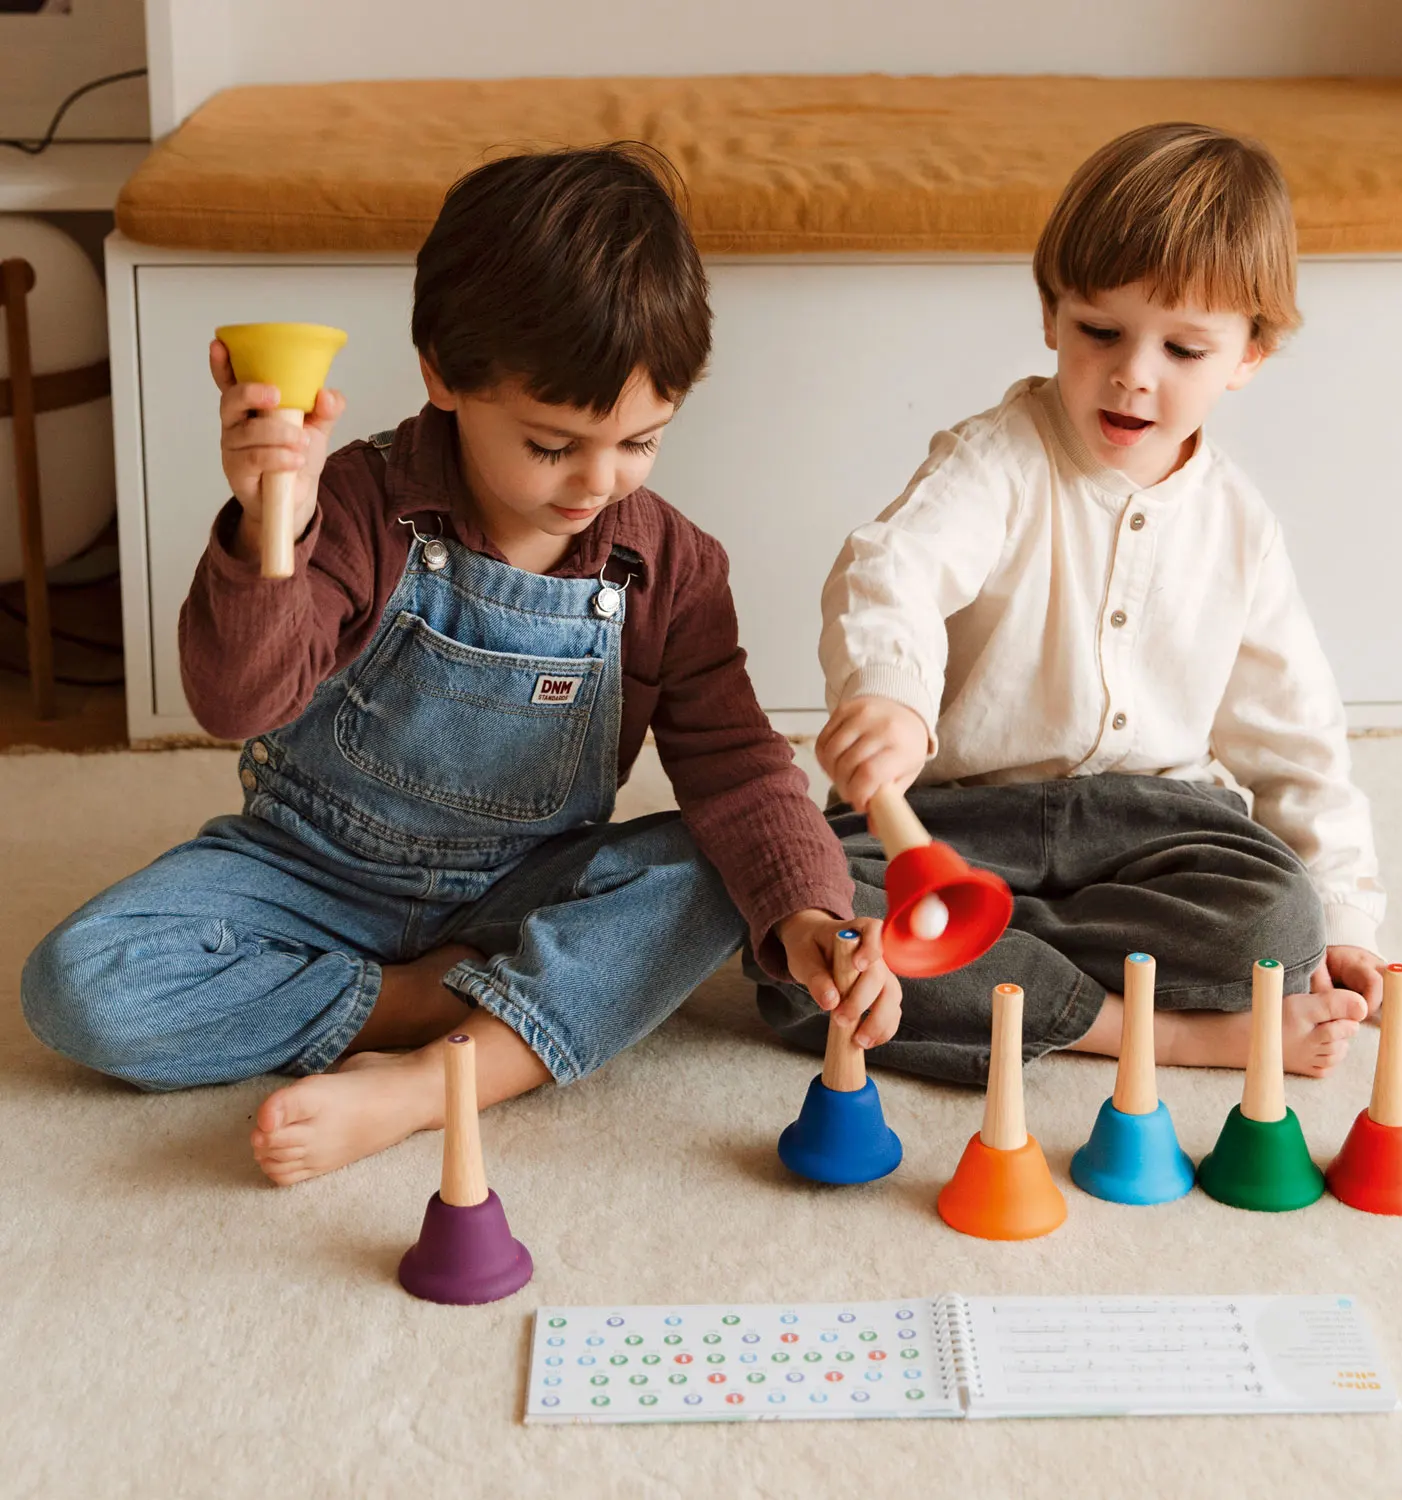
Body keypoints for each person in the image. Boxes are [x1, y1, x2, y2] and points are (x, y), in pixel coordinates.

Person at [21, 144, 900, 1184]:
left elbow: (739, 769)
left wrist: (808, 913)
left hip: (518, 890)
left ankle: (433, 1082)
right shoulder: (355, 506)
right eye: (551, 445)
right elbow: (234, 700)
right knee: (79, 983)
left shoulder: (671, 565)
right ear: (441, 372)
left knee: (719, 871)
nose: (597, 482)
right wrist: (271, 524)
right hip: (307, 872)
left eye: (640, 442)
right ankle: (425, 1006)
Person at [756, 122, 1402, 1087]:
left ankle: (987, 960)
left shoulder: (1240, 526)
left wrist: (1347, 917)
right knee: (802, 927)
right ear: (1051, 314)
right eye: (1100, 331)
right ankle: (1160, 1030)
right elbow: (891, 571)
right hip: (958, 822)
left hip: (1154, 828)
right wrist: (890, 695)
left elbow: (1295, 736)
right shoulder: (994, 461)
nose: (1133, 373)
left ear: (1251, 353)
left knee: (1283, 919)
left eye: (1183, 348)